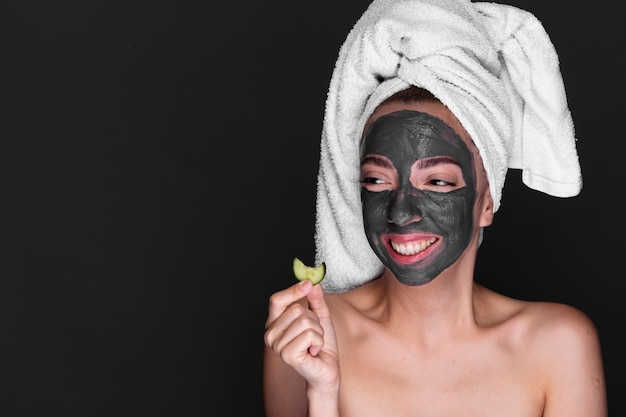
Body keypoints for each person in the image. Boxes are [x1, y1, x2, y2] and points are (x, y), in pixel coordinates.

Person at [263, 0, 607, 416]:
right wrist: (322, 394)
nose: (401, 211)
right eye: (376, 181)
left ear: (487, 201)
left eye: (438, 182)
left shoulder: (559, 345)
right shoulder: (307, 334)